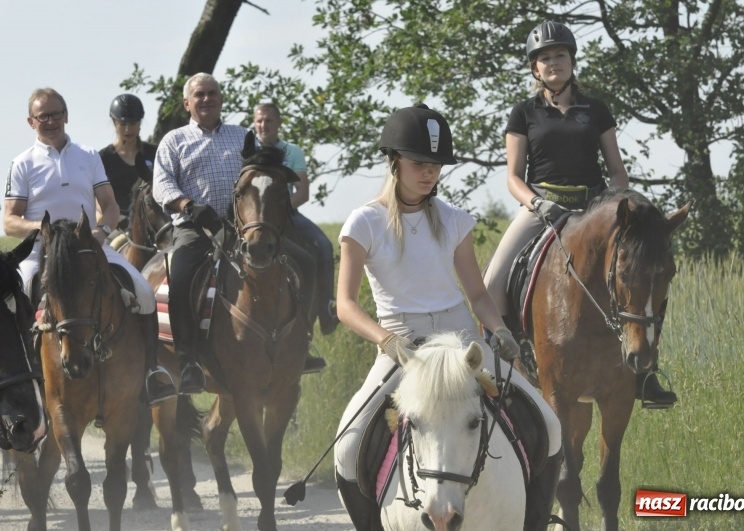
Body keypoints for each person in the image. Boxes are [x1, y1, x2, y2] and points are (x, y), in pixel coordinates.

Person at [333, 104, 562, 531]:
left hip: (459, 346)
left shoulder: (455, 221)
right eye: (420, 163)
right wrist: (386, 341)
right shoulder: (365, 221)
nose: (429, 173)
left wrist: (498, 330)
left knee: (549, 424)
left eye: (436, 165)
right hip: (402, 347)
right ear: (394, 160)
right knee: (347, 447)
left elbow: (476, 292)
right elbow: (345, 305)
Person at [482, 20, 676, 406]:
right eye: (544, 58)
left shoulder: (596, 110)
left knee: (641, 275)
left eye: (559, 55)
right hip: (543, 207)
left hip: (594, 208)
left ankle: (645, 375)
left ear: (572, 61)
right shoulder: (523, 114)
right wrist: (536, 202)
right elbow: (513, 178)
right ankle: (498, 369)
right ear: (534, 68)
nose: (553, 63)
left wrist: (616, 203)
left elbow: (616, 168)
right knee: (490, 283)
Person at [3, 87, 175, 407]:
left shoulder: (88, 156)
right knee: (22, 291)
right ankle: (27, 379)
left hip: (87, 246)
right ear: (31, 122)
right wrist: (43, 229)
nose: (51, 121)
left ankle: (152, 372)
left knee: (143, 292)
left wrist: (104, 230)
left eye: (56, 114)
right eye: (44, 116)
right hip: (43, 249)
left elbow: (109, 204)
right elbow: (10, 221)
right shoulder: (22, 163)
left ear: (66, 116)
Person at [153, 74, 323, 394]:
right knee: (182, 277)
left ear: (221, 99)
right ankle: (189, 361)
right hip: (195, 227)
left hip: (241, 228)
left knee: (306, 263)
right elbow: (161, 185)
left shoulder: (243, 136)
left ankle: (303, 344)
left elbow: (261, 172)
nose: (206, 99)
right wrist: (189, 206)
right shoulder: (174, 140)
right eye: (199, 95)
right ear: (187, 103)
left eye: (212, 93)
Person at [253, 103, 338, 354]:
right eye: (259, 121)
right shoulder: (246, 150)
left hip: (286, 213)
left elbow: (302, 192)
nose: (263, 126)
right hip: (254, 218)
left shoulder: (292, 152)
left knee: (323, 245)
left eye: (268, 121)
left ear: (278, 123)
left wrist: (279, 211)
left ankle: (326, 310)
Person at [99, 93, 157, 245]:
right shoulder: (102, 158)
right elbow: (95, 198)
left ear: (140, 123)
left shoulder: (156, 153)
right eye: (122, 124)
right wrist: (113, 219)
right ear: (114, 123)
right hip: (118, 225)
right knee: (111, 248)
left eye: (133, 123)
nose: (128, 129)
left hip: (155, 222)